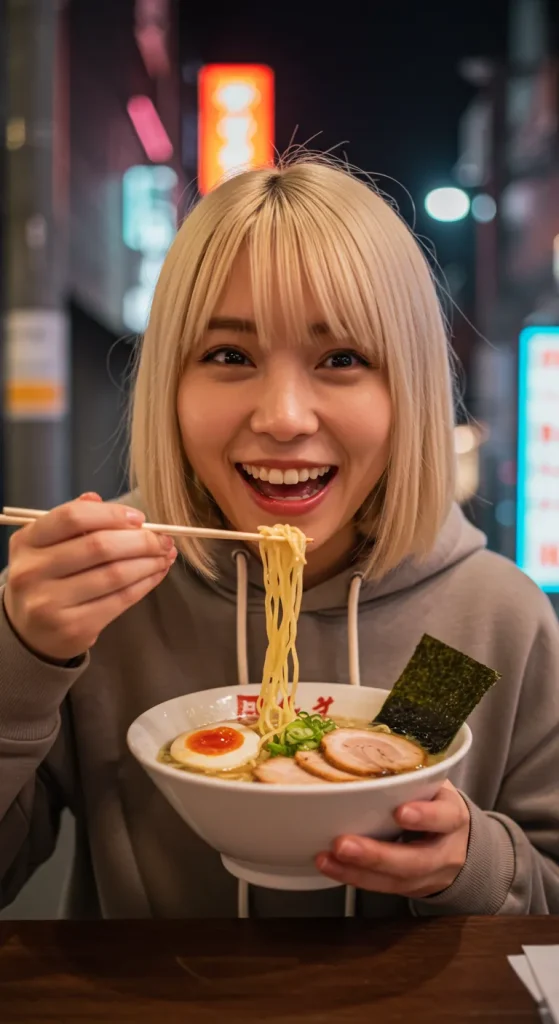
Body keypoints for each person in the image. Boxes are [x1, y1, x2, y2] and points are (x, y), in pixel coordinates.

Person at [1, 156, 558, 920]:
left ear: (410, 386)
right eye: (228, 356)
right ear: (169, 380)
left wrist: (474, 861)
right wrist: (22, 659)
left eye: (342, 359)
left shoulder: (489, 615)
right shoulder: (112, 597)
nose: (284, 417)